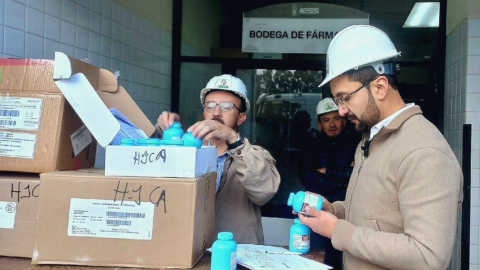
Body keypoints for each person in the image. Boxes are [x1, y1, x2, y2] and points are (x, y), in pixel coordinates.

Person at [296, 25, 463, 270]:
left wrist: (337, 230)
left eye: (345, 98)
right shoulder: (371, 138)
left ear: (380, 87)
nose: (341, 110)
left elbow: (428, 257)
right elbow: (377, 216)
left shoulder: (424, 152)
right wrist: (336, 210)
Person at [154, 74, 281, 244]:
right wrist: (163, 132)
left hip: (236, 250)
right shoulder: (186, 151)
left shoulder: (255, 155)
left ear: (241, 118)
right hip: (189, 247)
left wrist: (233, 139)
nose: (216, 113)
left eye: (227, 107)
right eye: (210, 106)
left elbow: (263, 193)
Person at [299, 98, 357, 270]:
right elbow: (308, 177)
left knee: (344, 258)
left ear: (344, 121)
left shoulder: (355, 144)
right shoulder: (311, 145)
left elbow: (357, 175)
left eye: (336, 118)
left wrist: (329, 171)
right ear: (319, 125)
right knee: (315, 258)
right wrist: (342, 180)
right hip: (315, 211)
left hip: (347, 212)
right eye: (326, 120)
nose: (332, 124)